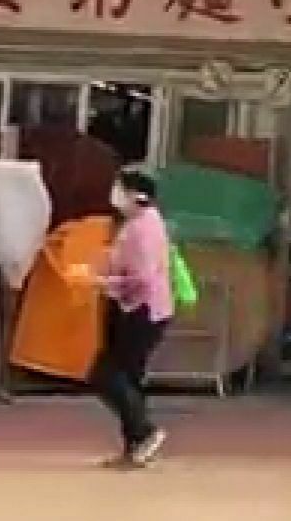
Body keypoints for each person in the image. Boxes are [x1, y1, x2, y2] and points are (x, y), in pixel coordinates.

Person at [88, 168, 172, 468]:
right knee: (128, 377)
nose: (115, 194)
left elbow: (142, 277)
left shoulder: (143, 227)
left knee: (106, 374)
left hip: (141, 309)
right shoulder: (138, 223)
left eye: (120, 188)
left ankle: (145, 432)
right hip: (134, 307)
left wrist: (104, 283)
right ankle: (135, 445)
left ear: (136, 195)